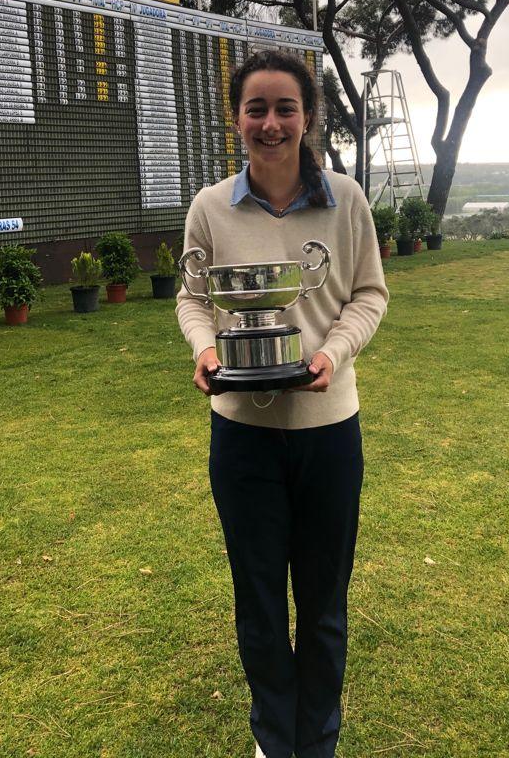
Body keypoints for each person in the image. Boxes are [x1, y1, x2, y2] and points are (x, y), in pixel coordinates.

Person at [176, 49, 389, 758]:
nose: (270, 123)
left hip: (329, 432)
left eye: (285, 108)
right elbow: (192, 296)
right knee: (260, 600)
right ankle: (274, 738)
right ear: (236, 118)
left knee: (324, 602)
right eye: (256, 108)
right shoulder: (209, 207)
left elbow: (368, 293)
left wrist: (330, 355)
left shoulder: (347, 200)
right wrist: (207, 351)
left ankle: (317, 740)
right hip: (243, 437)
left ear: (308, 116)